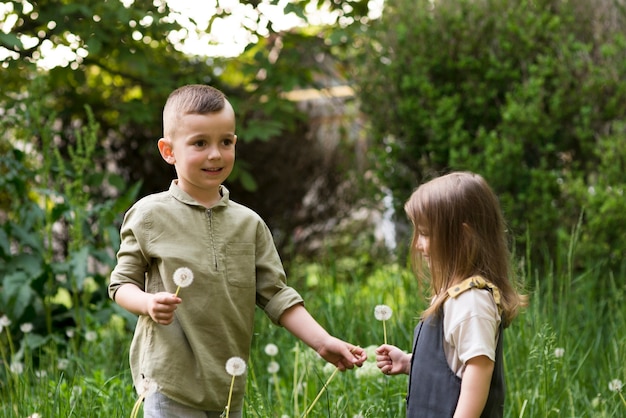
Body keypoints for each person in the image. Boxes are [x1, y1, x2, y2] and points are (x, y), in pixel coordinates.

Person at [108, 84, 366, 418]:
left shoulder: (250, 224)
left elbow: (277, 296)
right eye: (200, 143)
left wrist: (322, 341)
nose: (215, 153)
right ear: (168, 151)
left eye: (225, 142)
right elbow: (120, 285)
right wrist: (147, 303)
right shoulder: (149, 215)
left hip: (229, 380)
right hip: (169, 379)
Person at [375, 171, 527, 417]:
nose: (417, 244)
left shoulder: (472, 302)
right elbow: (451, 368)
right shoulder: (455, 297)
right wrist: (409, 363)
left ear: (463, 236)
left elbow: (477, 372)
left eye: (425, 233)